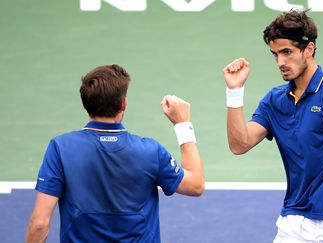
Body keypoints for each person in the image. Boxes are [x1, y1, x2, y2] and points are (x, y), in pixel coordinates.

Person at [223, 10, 323, 243]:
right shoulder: (275, 101)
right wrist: (234, 91)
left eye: (287, 52)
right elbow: (239, 145)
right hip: (288, 222)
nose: (280, 62)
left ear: (309, 49)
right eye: (275, 54)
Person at [26, 64, 204, 243]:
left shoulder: (60, 148)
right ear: (123, 104)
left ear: (84, 103)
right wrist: (182, 124)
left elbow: (39, 223)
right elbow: (195, 185)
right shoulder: (150, 151)